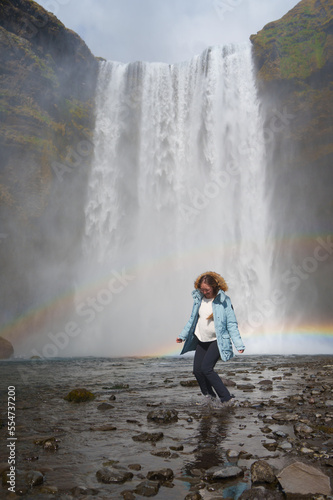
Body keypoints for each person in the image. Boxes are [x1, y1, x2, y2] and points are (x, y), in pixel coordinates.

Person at [176, 271, 245, 406]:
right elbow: (192, 319)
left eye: (207, 290)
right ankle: (209, 396)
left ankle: (227, 398)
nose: (204, 292)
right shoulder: (198, 300)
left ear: (214, 287)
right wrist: (182, 336)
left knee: (206, 368)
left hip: (217, 341)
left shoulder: (224, 301)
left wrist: (239, 344)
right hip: (201, 339)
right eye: (202, 289)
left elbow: (231, 323)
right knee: (197, 370)